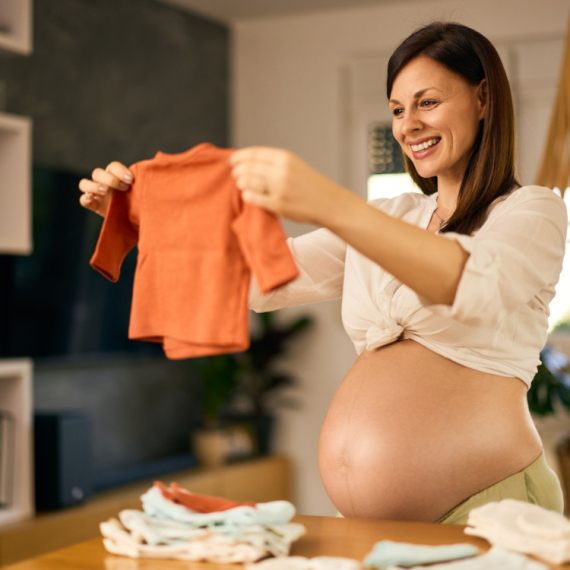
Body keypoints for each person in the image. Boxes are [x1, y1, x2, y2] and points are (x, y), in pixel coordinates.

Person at [78, 21, 568, 524]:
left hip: (492, 509)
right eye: (397, 110)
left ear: (484, 97)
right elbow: (257, 283)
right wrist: (145, 224)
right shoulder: (392, 216)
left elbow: (472, 283)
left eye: (427, 102)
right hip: (374, 527)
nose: (408, 125)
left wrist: (330, 204)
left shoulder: (531, 212)